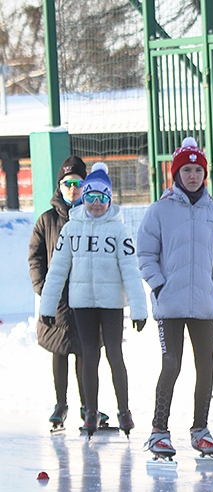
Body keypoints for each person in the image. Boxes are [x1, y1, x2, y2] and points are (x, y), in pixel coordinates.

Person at [137, 137, 213, 460]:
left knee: (205, 367)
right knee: (171, 364)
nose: (193, 176)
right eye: (186, 170)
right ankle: (158, 431)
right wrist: (159, 285)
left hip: (204, 305)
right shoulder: (160, 211)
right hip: (171, 305)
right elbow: (146, 253)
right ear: (175, 174)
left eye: (197, 170)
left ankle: (200, 430)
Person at [38, 163, 148, 435]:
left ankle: (124, 410)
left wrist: (138, 309)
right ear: (84, 198)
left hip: (111, 304)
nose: (96, 204)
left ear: (110, 200)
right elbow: (57, 270)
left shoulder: (119, 231)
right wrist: (47, 306)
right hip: (82, 303)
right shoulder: (72, 229)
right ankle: (91, 411)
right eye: (90, 197)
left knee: (114, 353)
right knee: (89, 355)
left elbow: (131, 272)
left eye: (102, 198)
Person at [28, 155, 91, 430]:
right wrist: (44, 289)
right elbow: (35, 256)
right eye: (67, 183)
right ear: (59, 186)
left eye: (77, 183)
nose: (72, 189)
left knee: (86, 351)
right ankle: (61, 404)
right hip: (58, 297)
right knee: (60, 349)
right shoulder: (47, 220)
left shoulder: (93, 215)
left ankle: (89, 405)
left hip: (87, 295)